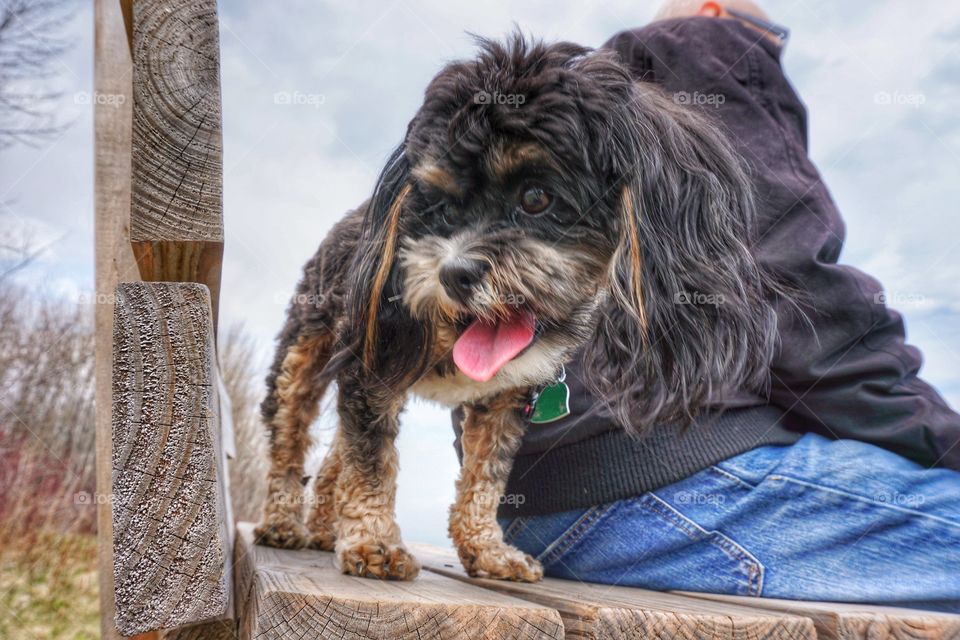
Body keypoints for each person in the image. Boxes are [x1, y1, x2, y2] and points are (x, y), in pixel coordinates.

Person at [458, 0, 960, 612]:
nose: (772, 56)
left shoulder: (566, 114)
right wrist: (943, 442)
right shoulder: (704, 48)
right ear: (714, 8)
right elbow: (799, 301)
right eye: (772, 38)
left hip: (520, 512)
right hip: (661, 487)